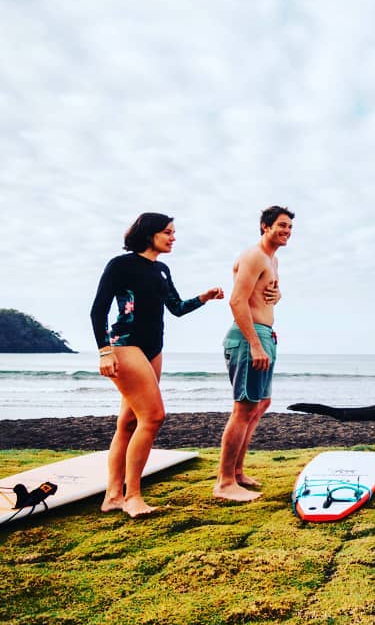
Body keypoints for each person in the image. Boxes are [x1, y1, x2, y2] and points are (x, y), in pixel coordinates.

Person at [91, 213, 224, 517]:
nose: (173, 237)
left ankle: (113, 495)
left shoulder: (162, 269)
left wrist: (202, 298)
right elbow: (98, 310)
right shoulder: (120, 265)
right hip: (125, 345)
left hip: (153, 348)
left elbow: (175, 309)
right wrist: (104, 351)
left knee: (129, 422)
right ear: (149, 234)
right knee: (153, 417)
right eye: (167, 232)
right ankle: (133, 496)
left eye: (173, 232)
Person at [213, 205, 293, 502]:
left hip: (265, 334)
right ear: (264, 226)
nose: (286, 232)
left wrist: (278, 294)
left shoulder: (272, 260)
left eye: (289, 228)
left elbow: (268, 292)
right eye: (281, 226)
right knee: (244, 408)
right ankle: (223, 483)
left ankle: (237, 473)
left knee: (261, 404)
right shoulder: (254, 256)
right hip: (249, 337)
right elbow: (237, 301)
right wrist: (255, 345)